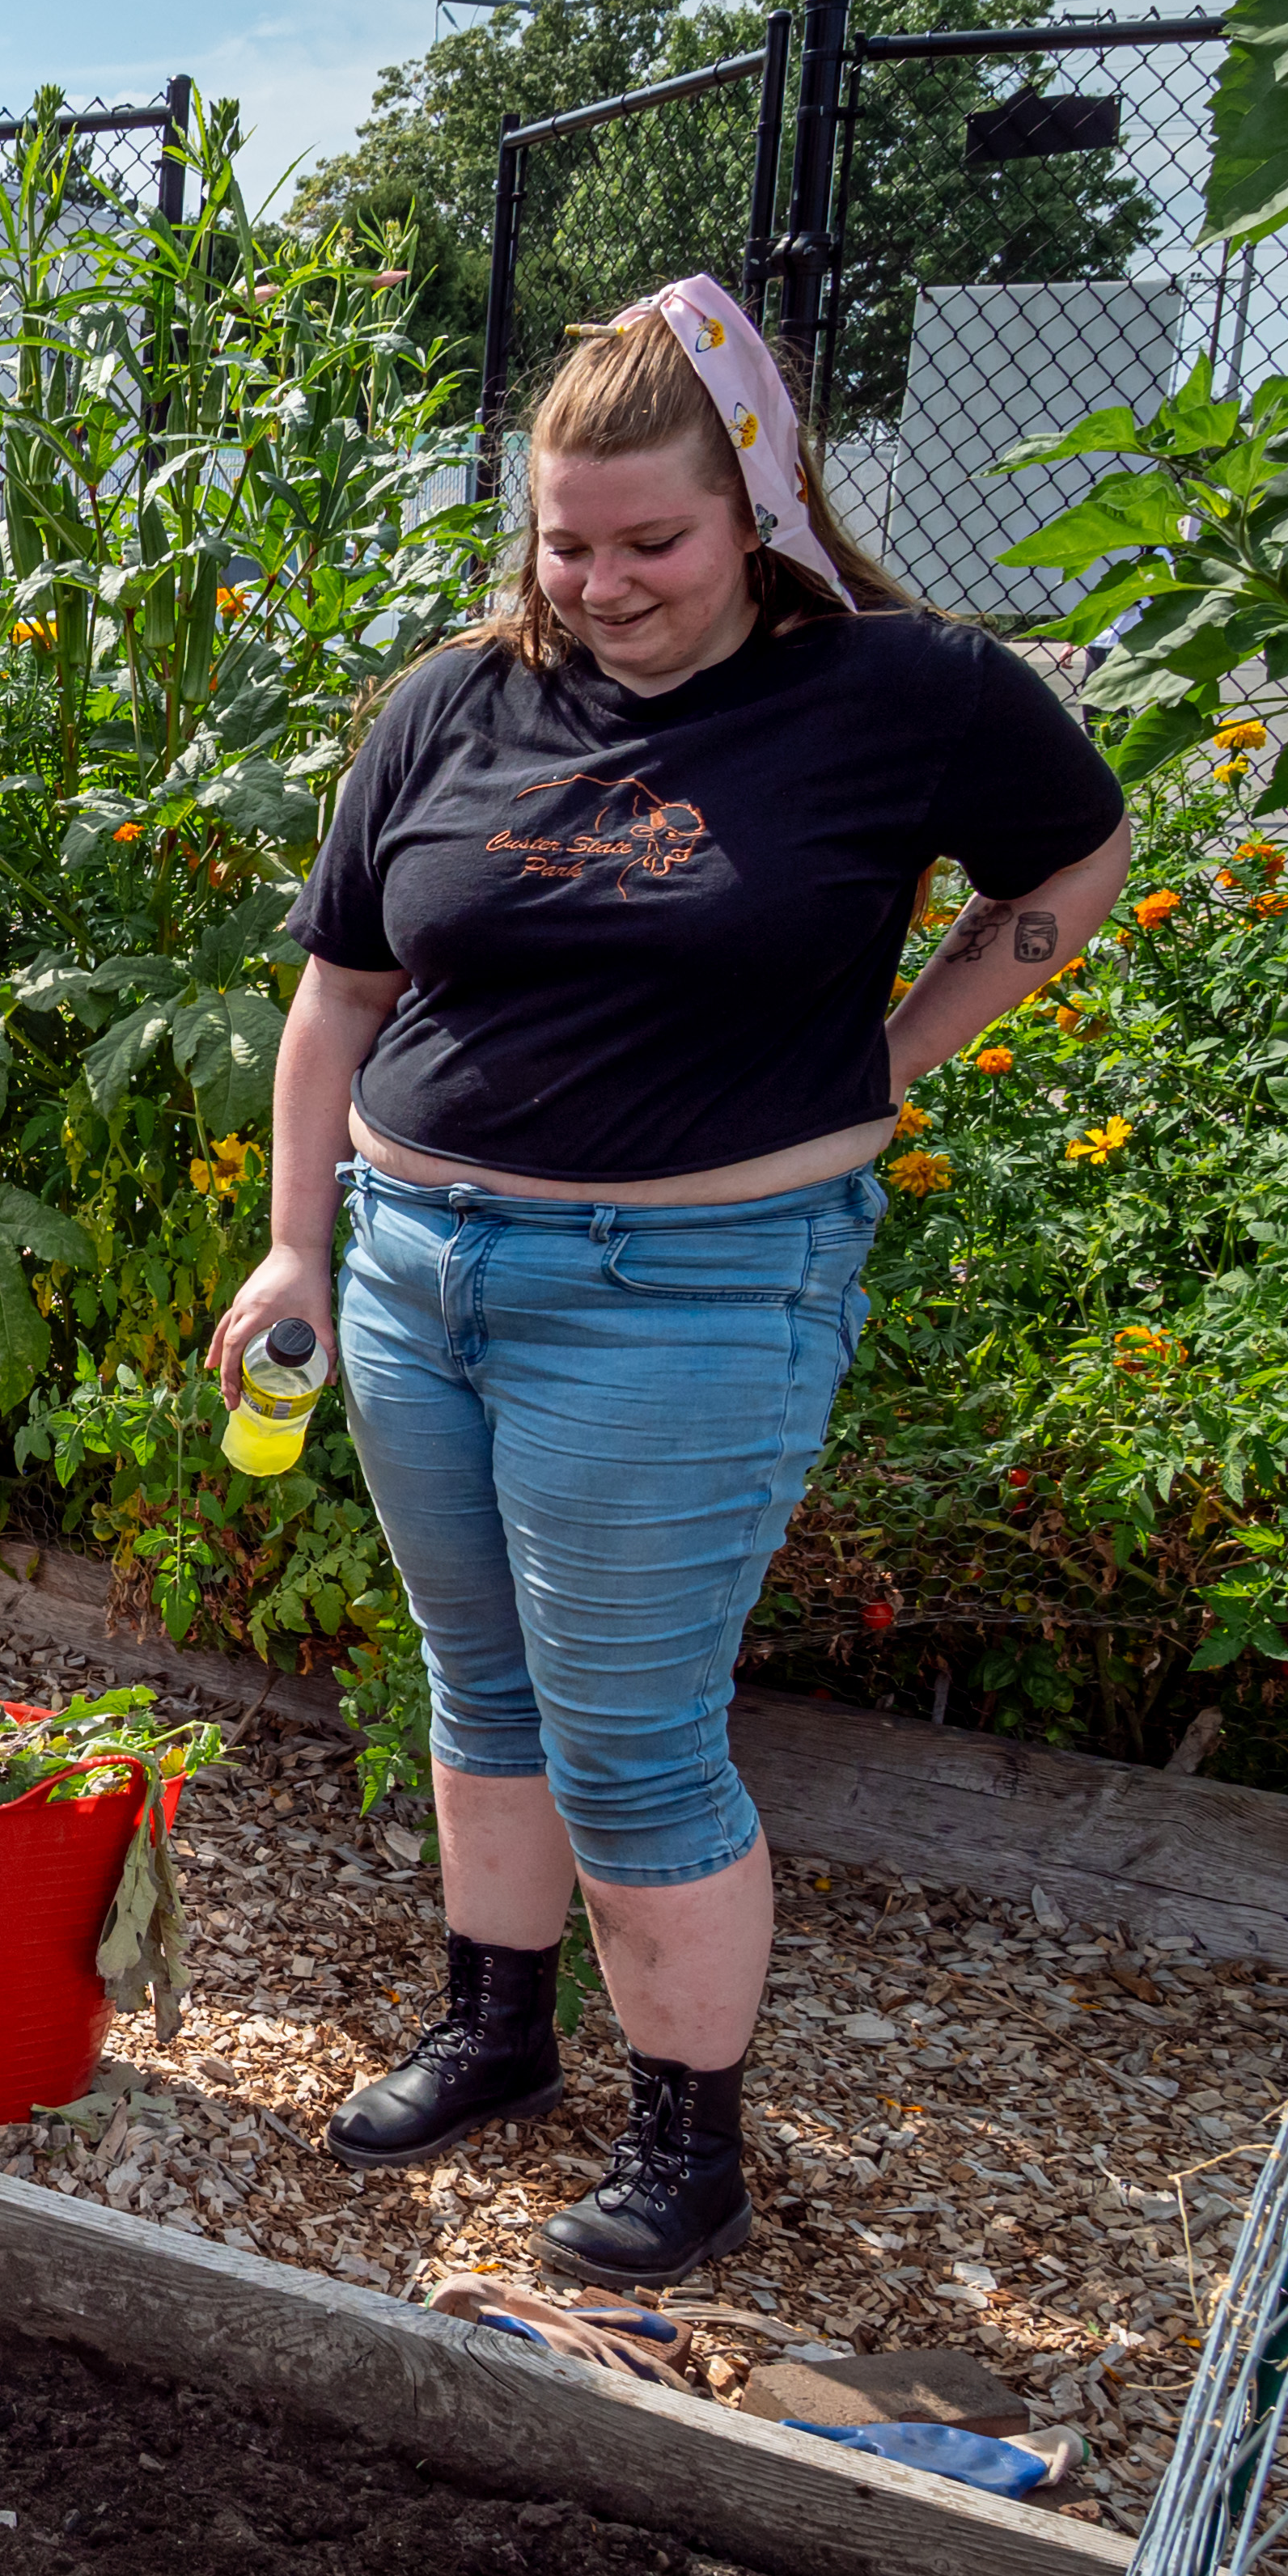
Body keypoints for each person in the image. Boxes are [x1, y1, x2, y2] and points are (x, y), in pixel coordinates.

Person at [205, 277, 1133, 2287]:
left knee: (633, 1736)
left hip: (690, 1289)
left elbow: (1071, 869)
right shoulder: (455, 700)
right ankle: (496, 2031)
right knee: (485, 1689)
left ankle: (684, 2145)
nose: (606, 584)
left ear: (763, 512)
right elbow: (337, 995)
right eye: (569, 540)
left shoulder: (906, 693)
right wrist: (298, 1239)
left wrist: (877, 1067)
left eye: (654, 542)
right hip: (419, 1269)